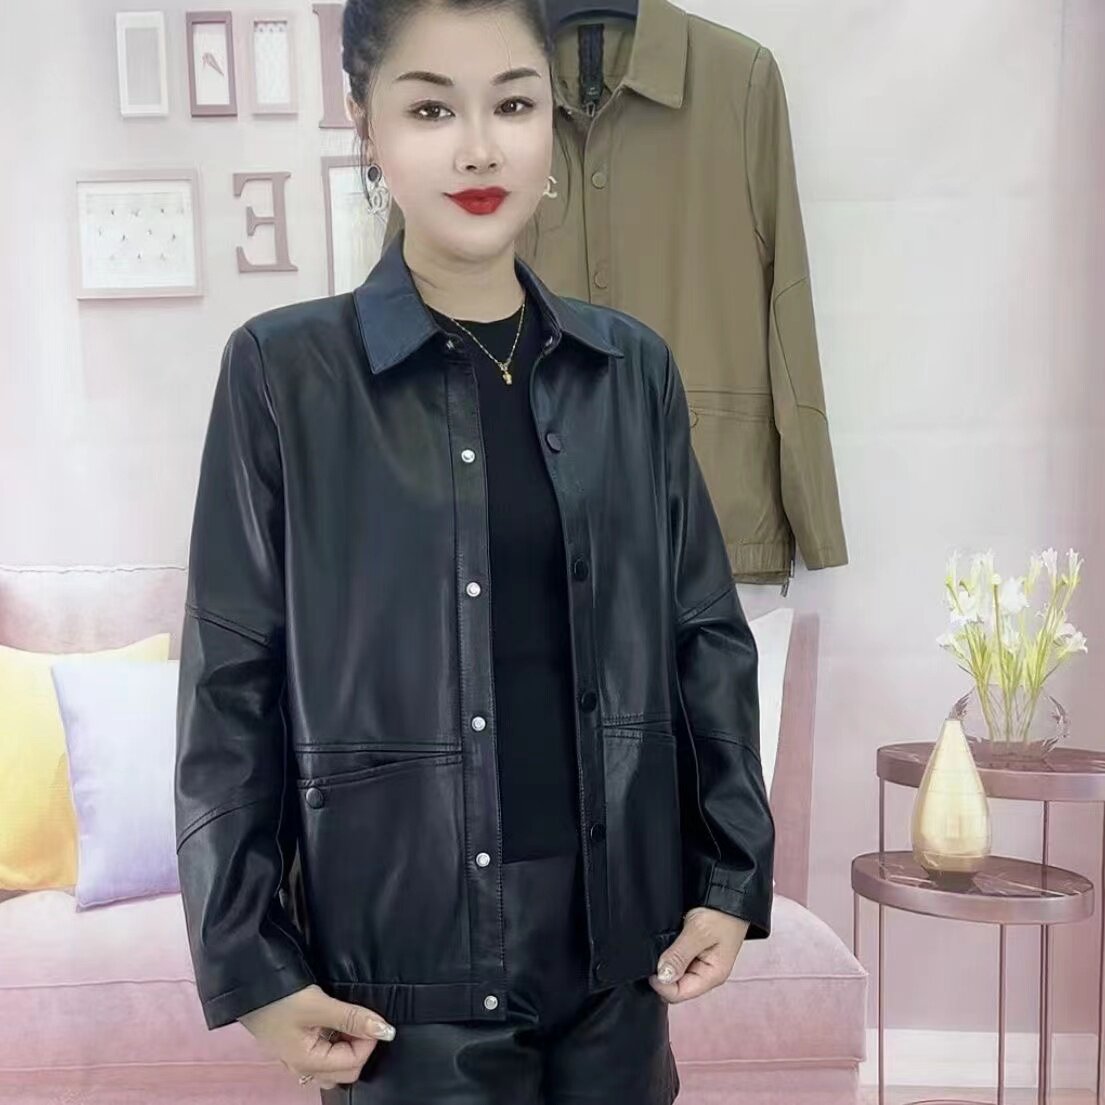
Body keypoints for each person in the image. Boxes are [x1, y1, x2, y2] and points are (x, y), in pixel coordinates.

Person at [173, 0, 775, 1101]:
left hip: (619, 955)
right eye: (430, 110)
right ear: (363, 124)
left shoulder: (629, 371)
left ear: (551, 124)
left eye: (513, 103)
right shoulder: (281, 375)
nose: (479, 147)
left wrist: (730, 876)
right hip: (403, 977)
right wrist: (252, 965)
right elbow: (229, 684)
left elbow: (704, 636)